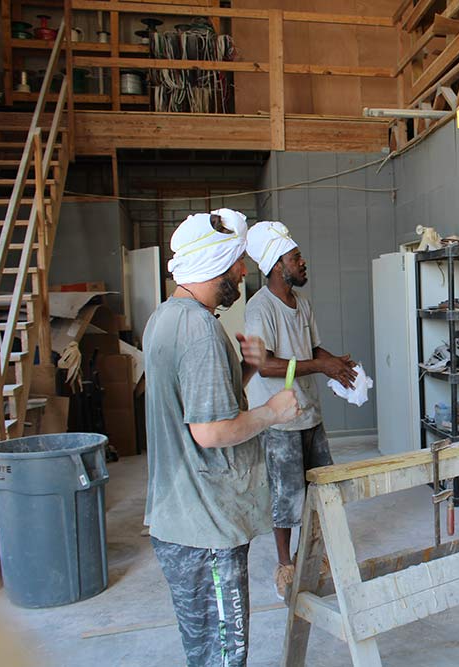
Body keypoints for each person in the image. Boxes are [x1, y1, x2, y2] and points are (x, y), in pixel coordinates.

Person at [143, 208, 301, 667]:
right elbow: (209, 431)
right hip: (204, 527)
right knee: (225, 655)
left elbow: (201, 406)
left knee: (206, 651)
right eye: (236, 262)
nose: (243, 270)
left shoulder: (167, 317)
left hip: (181, 519)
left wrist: (248, 368)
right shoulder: (199, 329)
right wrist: (272, 412)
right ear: (216, 264)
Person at [243, 221, 358, 601]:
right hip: (279, 418)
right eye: (296, 257)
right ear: (278, 265)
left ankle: (310, 555)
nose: (303, 262)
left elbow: (312, 350)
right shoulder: (260, 308)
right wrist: (320, 366)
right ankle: (285, 565)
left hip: (310, 412)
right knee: (285, 497)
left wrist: (336, 364)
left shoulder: (302, 305)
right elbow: (266, 366)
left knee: (319, 488)